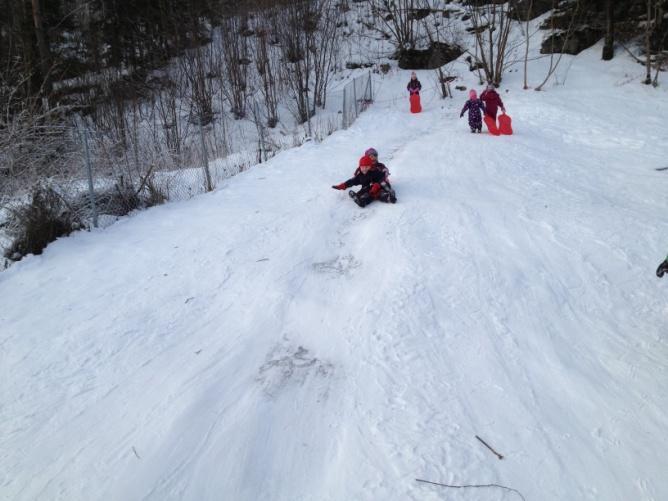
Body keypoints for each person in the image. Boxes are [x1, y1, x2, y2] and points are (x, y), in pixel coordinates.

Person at [332, 155, 397, 207]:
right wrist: (343, 185)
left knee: (381, 191)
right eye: (362, 167)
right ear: (360, 167)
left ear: (370, 166)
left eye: (366, 167)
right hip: (371, 190)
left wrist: (377, 185)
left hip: (380, 187)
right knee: (368, 193)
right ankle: (361, 200)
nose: (364, 169)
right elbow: (352, 181)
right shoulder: (360, 175)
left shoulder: (375, 171)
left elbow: (382, 177)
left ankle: (391, 195)